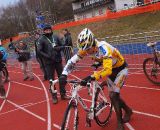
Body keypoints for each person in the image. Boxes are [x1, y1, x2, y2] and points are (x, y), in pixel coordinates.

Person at [59, 28, 133, 130]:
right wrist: (64, 74)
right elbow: (72, 61)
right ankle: (128, 110)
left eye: (88, 49)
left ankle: (120, 123)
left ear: (93, 43)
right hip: (111, 67)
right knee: (114, 95)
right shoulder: (86, 48)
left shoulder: (104, 48)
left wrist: (92, 76)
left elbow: (107, 70)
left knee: (113, 95)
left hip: (120, 69)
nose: (87, 52)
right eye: (85, 50)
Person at [37, 24, 69, 104]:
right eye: (46, 30)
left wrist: (61, 46)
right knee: (51, 80)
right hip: (48, 62)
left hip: (58, 60)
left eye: (49, 29)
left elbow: (61, 45)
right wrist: (47, 56)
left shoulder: (55, 36)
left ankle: (63, 94)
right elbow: (39, 51)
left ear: (51, 30)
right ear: (44, 31)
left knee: (62, 78)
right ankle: (54, 96)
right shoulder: (41, 39)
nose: (48, 31)